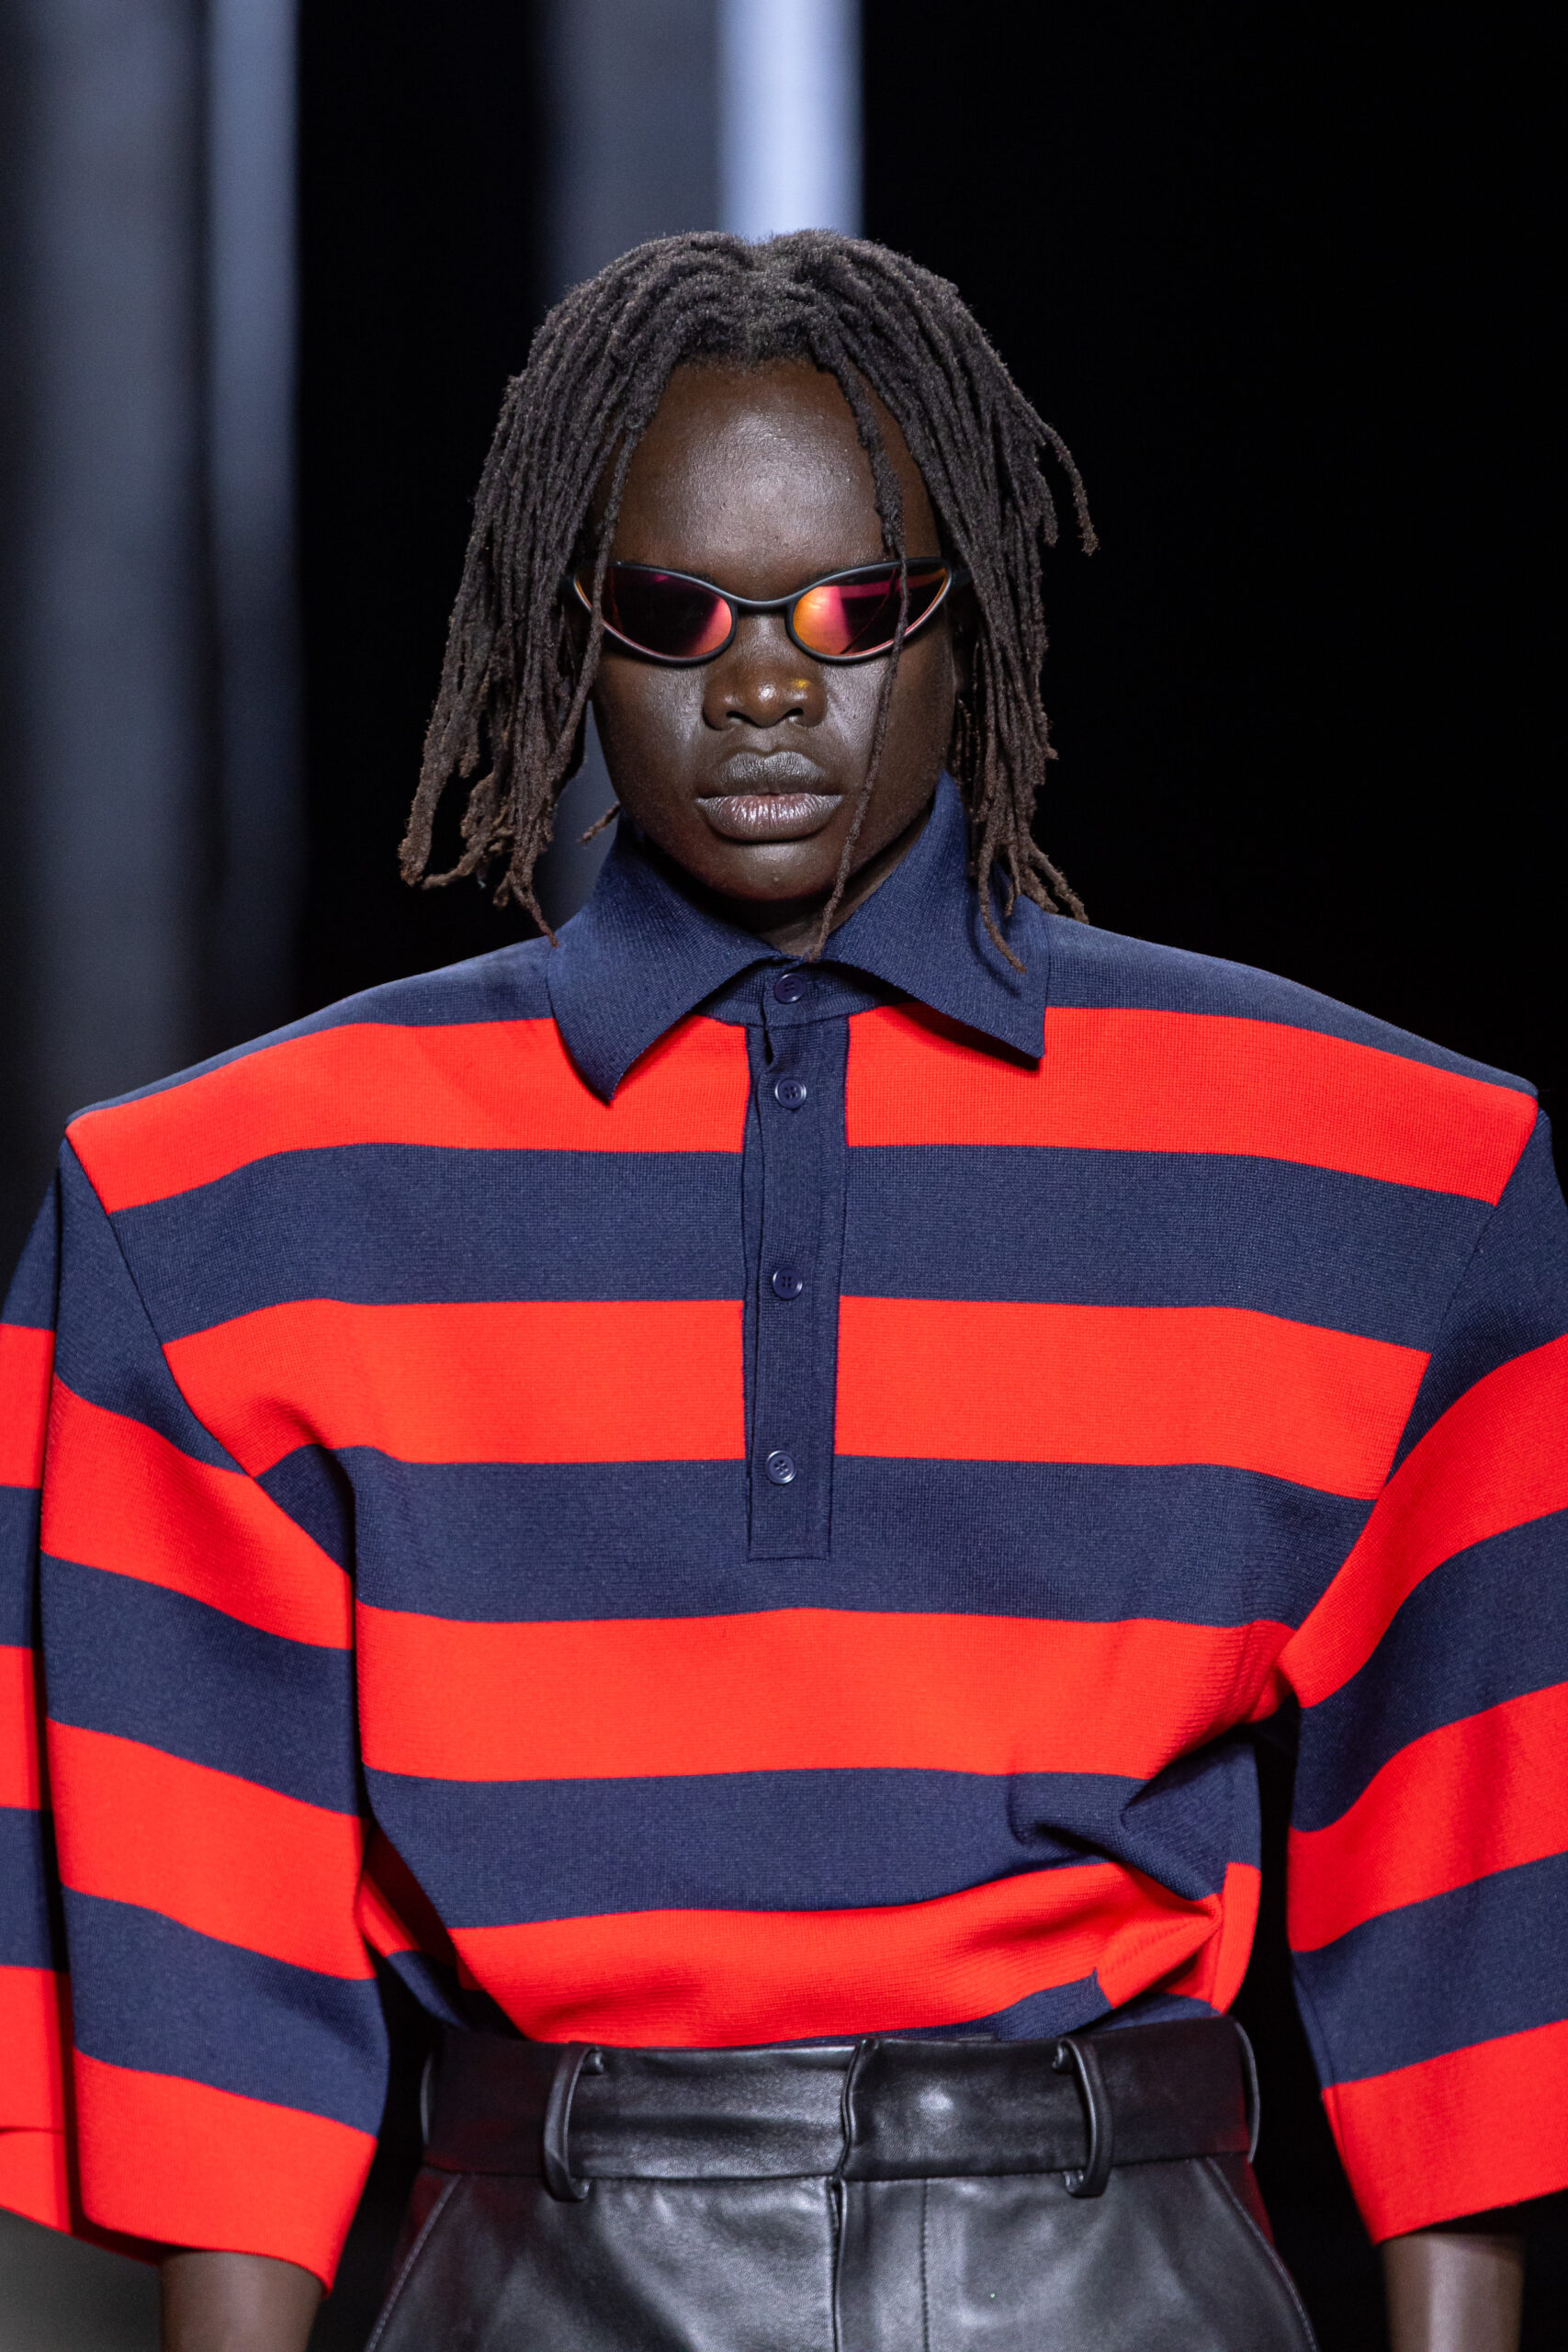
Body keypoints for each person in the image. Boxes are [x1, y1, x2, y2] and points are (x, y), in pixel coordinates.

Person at [2, 232, 1562, 2352]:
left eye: (852, 608)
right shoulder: (233, 1204)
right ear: (565, 626)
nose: (758, 686)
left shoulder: (1363, 1171)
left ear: (969, 619)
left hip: (1119, 2273)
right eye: (672, 612)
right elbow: (212, 1961)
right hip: (537, 2270)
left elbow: (1467, 1884)